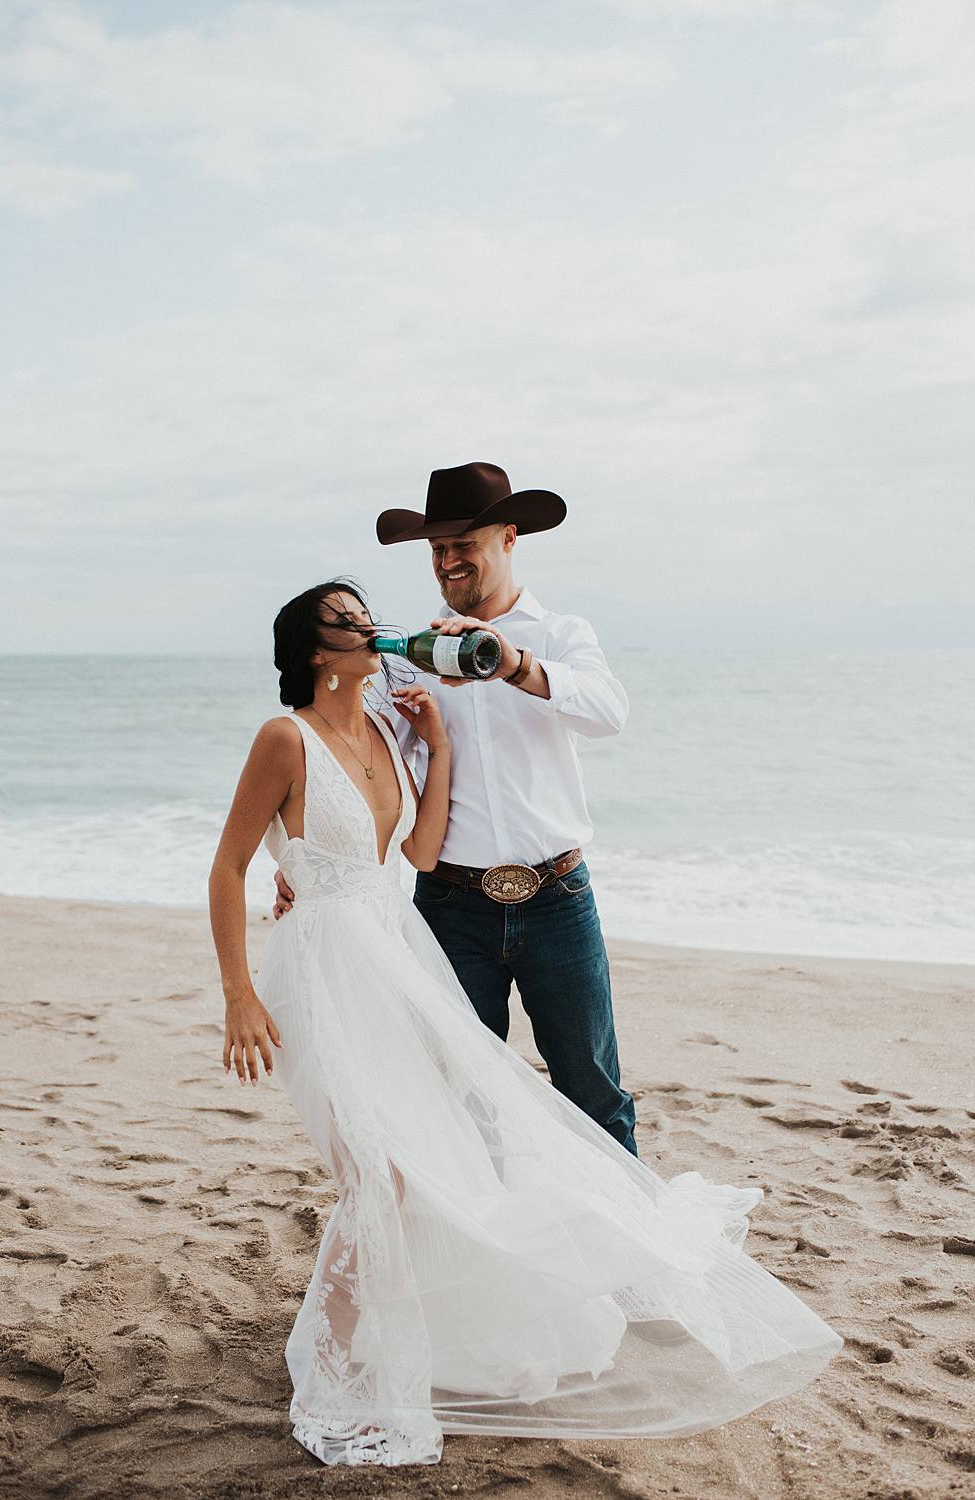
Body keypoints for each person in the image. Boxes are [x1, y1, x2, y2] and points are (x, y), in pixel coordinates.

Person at [209, 578, 841, 1469]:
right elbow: (228, 865)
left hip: (395, 953)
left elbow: (420, 854)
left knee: (427, 1154)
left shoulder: (391, 726)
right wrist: (238, 993)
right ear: (316, 651)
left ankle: (392, 1337)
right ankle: (342, 1368)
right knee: (375, 1169)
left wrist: (436, 742)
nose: (366, 626)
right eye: (344, 621)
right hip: (317, 970)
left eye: (363, 612)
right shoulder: (283, 737)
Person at [277, 461, 638, 1153]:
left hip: (558, 896)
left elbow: (608, 714)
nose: (447, 562)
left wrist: (516, 666)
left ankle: (632, 1257)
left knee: (593, 1091)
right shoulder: (408, 658)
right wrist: (301, 852)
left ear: (507, 538)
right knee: (460, 1095)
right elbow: (353, 761)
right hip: (448, 906)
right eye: (437, 550)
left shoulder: (560, 634)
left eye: (461, 545)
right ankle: (490, 1250)